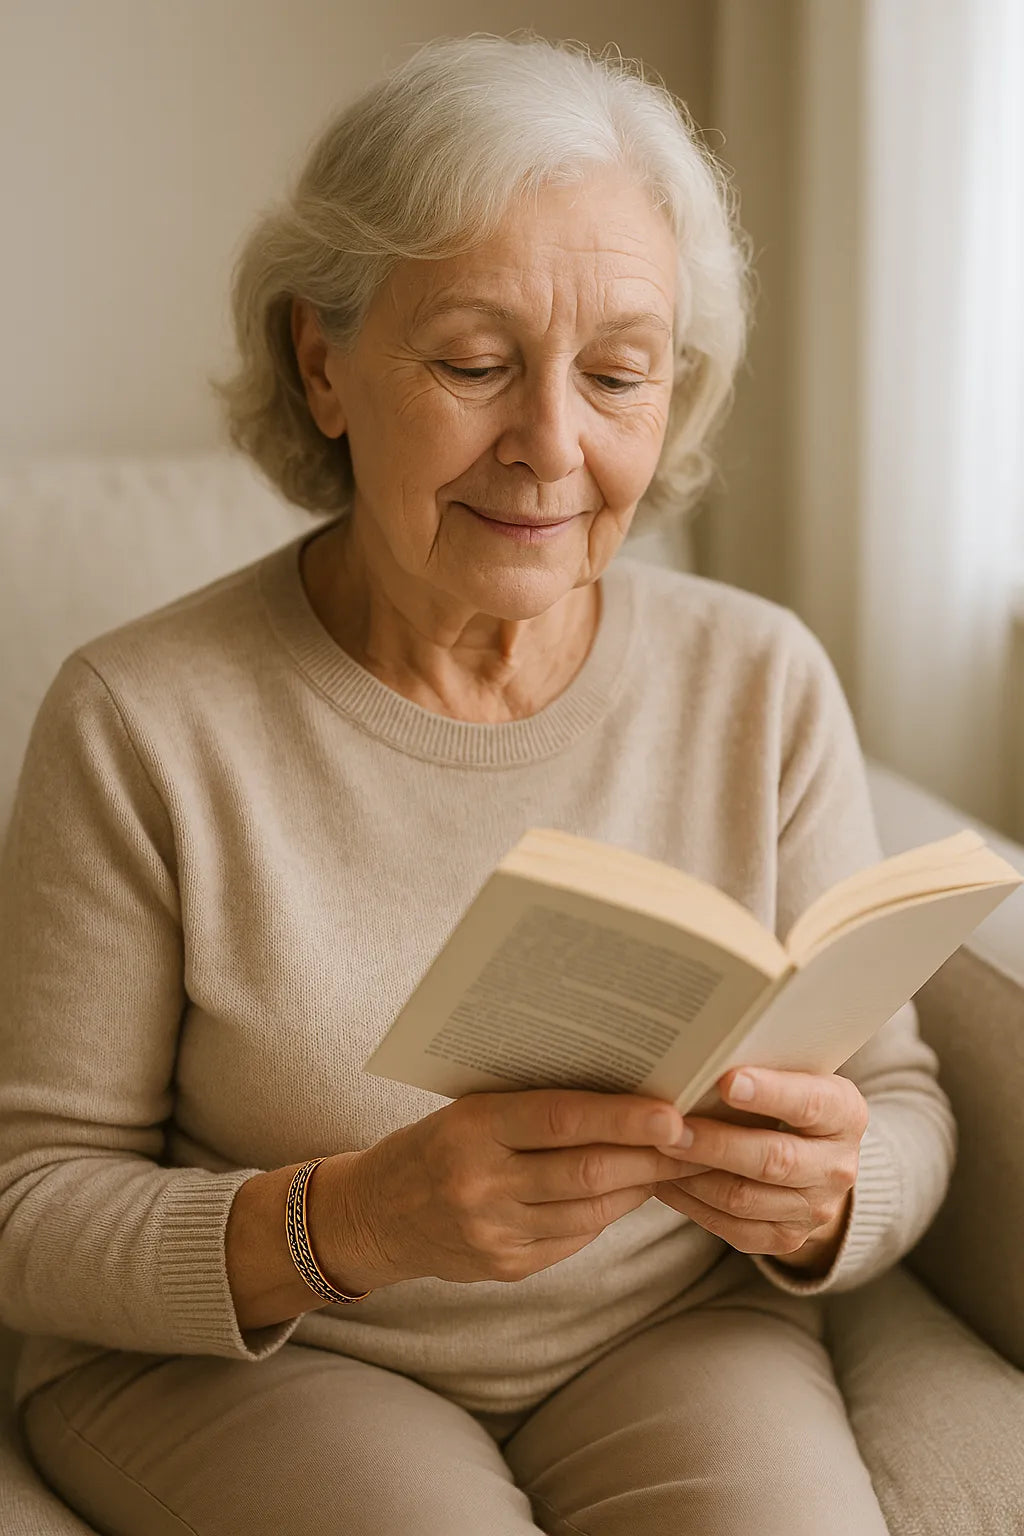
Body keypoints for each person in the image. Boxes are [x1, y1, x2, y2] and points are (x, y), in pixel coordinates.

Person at [0, 32, 954, 1536]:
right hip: (266, 1353)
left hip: (669, 1335)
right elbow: (31, 1203)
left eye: (619, 375)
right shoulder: (141, 718)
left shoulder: (759, 679)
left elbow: (899, 1096)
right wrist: (355, 1222)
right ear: (325, 361)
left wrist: (838, 1197)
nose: (552, 448)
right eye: (473, 363)